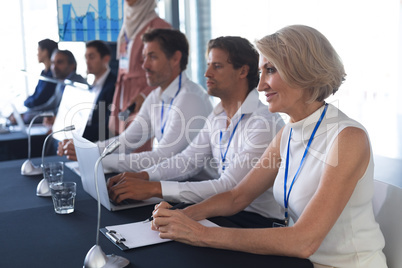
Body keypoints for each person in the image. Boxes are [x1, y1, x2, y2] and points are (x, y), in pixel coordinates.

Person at [150, 25, 387, 268]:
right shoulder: (288, 132)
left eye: (270, 70)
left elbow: (304, 241)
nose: (261, 85)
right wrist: (182, 216)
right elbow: (236, 197)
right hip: (302, 262)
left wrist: (200, 234)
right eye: (261, 72)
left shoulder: (347, 137)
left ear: (303, 71)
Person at [106, 36, 285, 228]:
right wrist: (144, 176)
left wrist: (153, 188)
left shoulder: (264, 122)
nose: (207, 73)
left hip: (256, 221)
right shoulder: (217, 116)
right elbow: (188, 160)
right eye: (208, 65)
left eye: (217, 66)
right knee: (153, 222)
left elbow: (229, 187)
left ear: (243, 71)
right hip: (222, 210)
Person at [59, 29, 213, 174]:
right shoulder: (156, 95)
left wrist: (92, 156)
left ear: (175, 58)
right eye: (144, 57)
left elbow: (161, 158)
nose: (144, 65)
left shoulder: (190, 98)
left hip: (199, 194)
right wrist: (87, 149)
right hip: (173, 185)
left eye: (152, 57)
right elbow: (126, 141)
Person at [109, 0, 171, 136]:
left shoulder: (160, 27)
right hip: (124, 94)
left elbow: (168, 72)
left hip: (144, 95)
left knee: (139, 149)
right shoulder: (128, 23)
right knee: (121, 147)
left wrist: (146, 95)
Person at [57, 40, 116, 155]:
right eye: (86, 57)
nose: (87, 62)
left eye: (92, 57)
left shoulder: (113, 86)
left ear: (106, 59)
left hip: (98, 144)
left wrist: (77, 137)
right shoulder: (89, 85)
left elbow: (106, 126)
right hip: (81, 136)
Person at [22, 39, 58, 123]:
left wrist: (26, 103)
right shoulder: (43, 73)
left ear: (45, 52)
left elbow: (40, 99)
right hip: (36, 108)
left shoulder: (53, 76)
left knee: (25, 117)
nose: (37, 54)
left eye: (39, 50)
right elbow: (35, 94)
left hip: (43, 111)